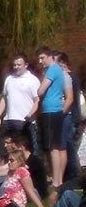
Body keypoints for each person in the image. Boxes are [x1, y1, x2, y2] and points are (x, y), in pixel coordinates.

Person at [37, 48, 74, 190]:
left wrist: (39, 90)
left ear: (50, 57)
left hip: (51, 110)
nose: (40, 62)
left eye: (42, 58)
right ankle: (58, 179)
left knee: (53, 147)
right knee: (57, 146)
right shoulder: (59, 70)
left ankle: (57, 181)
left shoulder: (52, 70)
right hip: (56, 110)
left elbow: (40, 90)